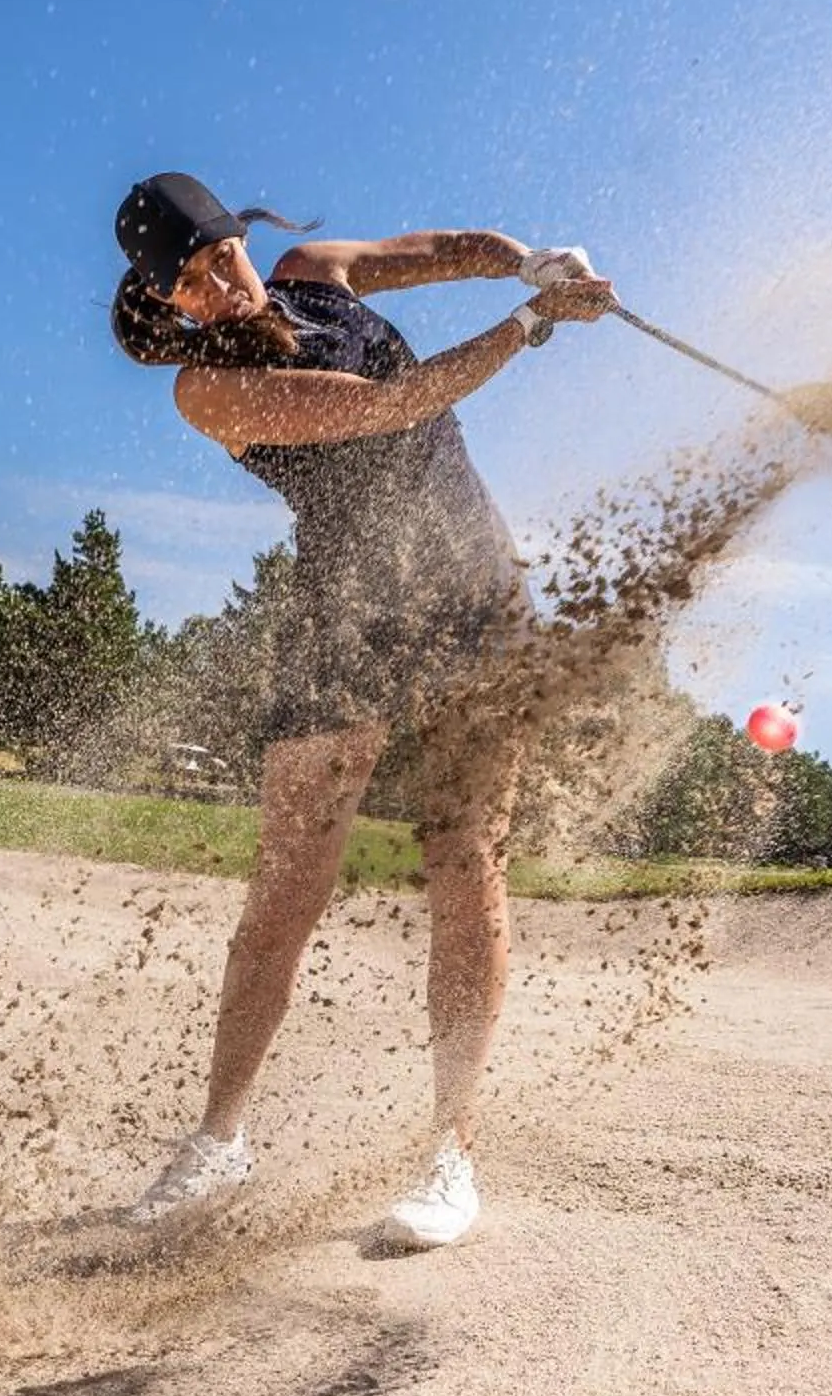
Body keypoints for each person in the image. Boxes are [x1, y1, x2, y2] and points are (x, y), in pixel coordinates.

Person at [107, 171, 615, 1249]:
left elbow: (456, 242)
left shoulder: (315, 273)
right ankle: (218, 1142)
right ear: (164, 299)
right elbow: (391, 407)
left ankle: (449, 1152)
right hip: (345, 615)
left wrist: (533, 260)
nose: (217, 286)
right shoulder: (205, 388)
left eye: (220, 256)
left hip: (471, 595)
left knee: (465, 860)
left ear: (244, 238)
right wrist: (529, 322)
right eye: (188, 282)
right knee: (285, 892)